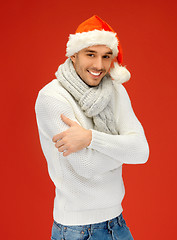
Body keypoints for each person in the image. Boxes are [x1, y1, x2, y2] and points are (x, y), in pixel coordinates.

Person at [35, 15, 149, 240]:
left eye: (106, 57)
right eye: (91, 54)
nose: (99, 65)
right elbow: (86, 165)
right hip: (77, 230)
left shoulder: (115, 91)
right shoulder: (52, 97)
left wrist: (89, 139)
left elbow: (142, 152)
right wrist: (122, 148)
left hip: (117, 223)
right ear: (74, 55)